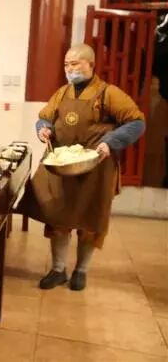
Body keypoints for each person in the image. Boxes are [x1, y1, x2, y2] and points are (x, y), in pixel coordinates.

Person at [19, 43, 145, 291]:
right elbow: (44, 117)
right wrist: (43, 129)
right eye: (66, 64)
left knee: (90, 219)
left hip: (95, 167)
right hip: (62, 165)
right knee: (58, 218)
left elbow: (137, 122)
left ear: (91, 64)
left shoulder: (109, 93)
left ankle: (81, 271)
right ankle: (58, 270)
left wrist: (111, 142)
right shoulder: (62, 93)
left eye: (75, 63)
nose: (69, 69)